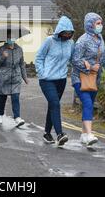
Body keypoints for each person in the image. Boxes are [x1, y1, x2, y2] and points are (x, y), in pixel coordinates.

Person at [71, 13, 105, 146]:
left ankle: (83, 135)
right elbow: (74, 60)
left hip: (94, 79)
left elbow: (104, 59)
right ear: (90, 25)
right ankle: (89, 134)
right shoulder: (82, 41)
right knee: (88, 103)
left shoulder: (100, 39)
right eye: (97, 23)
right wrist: (88, 68)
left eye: (101, 23)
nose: (100, 26)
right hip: (80, 78)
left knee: (88, 104)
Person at [35, 16, 74, 148]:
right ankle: (59, 134)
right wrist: (42, 73)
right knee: (55, 103)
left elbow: (73, 59)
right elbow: (39, 57)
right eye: (66, 32)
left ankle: (47, 133)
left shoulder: (71, 43)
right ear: (60, 31)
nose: (68, 35)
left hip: (61, 80)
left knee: (53, 105)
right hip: (47, 80)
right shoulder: (49, 41)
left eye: (70, 33)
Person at [0, 31, 28, 127]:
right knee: (2, 97)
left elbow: (22, 64)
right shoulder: (1, 49)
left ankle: (17, 117)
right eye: (8, 38)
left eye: (12, 37)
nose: (10, 40)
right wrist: (3, 57)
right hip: (4, 77)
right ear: (6, 39)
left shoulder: (19, 49)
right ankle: (0, 115)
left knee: (15, 97)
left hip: (15, 77)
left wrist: (24, 77)